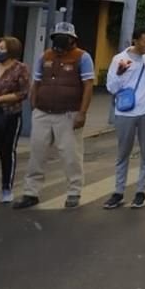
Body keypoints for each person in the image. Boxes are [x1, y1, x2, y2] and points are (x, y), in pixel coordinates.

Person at [13, 22, 94, 210]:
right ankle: (31, 193)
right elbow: (37, 81)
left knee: (71, 155)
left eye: (63, 37)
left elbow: (88, 85)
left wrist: (82, 113)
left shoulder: (82, 57)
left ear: (73, 40)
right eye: (56, 37)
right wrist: (34, 104)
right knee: (37, 154)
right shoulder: (45, 56)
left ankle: (74, 192)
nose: (59, 41)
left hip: (69, 114)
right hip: (43, 112)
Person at [102, 28, 145, 210]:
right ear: (135, 40)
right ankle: (118, 192)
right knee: (123, 154)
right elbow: (111, 88)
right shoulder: (119, 59)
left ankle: (141, 192)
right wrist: (120, 73)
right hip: (125, 112)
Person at [0, 36, 30, 204]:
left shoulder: (20, 69)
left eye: (3, 48)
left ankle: (6, 188)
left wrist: (1, 98)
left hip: (9, 115)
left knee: (7, 151)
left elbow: (23, 93)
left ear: (12, 50)